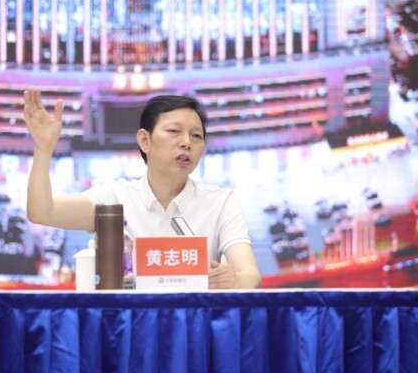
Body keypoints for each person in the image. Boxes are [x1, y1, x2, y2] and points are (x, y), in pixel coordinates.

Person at [24, 88, 262, 289]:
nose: (186, 143)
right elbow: (42, 212)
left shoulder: (221, 202)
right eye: (174, 131)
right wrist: (43, 149)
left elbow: (251, 275)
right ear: (145, 141)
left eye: (196, 136)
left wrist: (236, 281)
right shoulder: (114, 198)